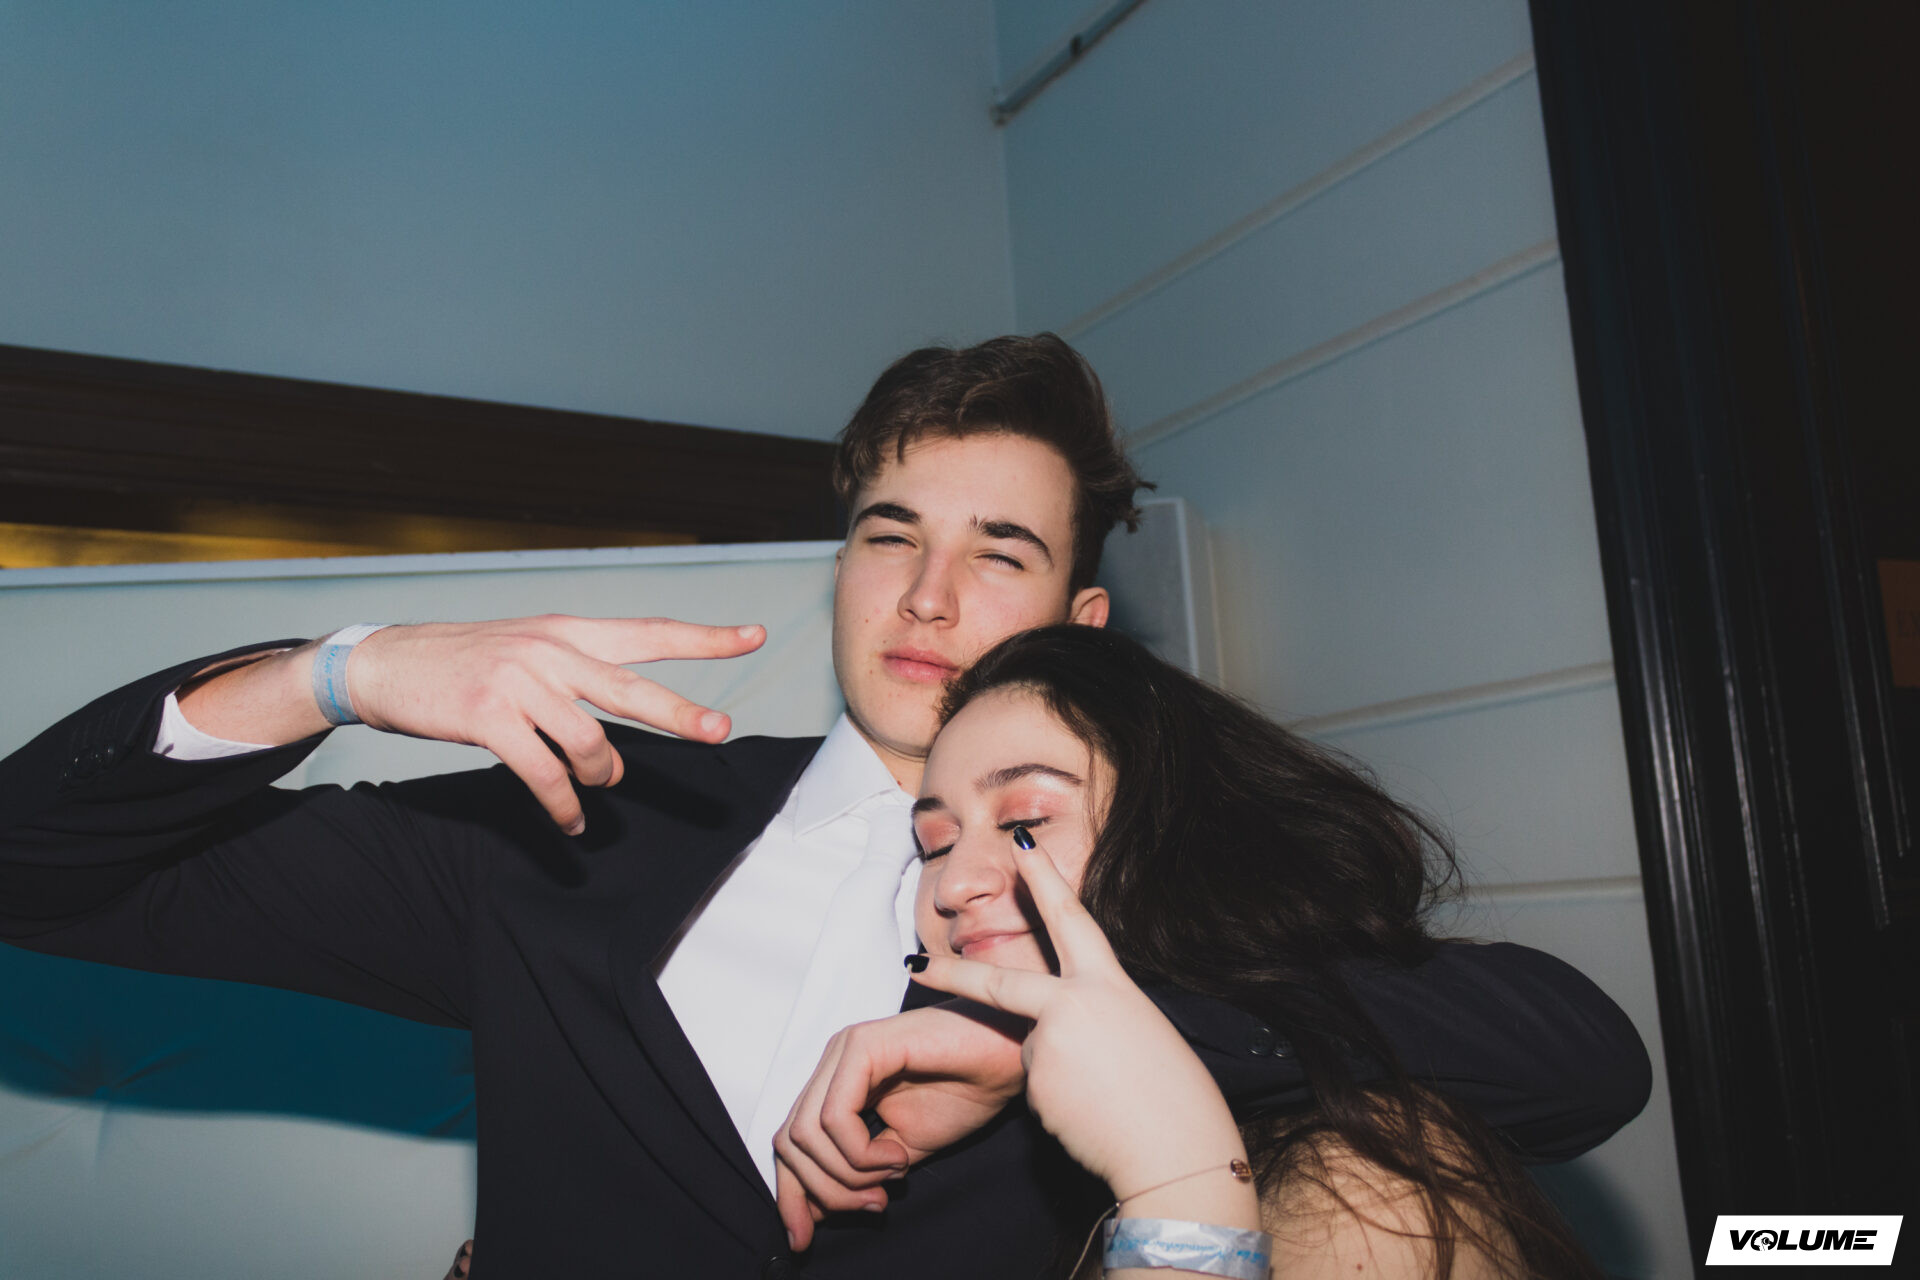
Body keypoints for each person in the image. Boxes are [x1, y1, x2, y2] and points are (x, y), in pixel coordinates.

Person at [0, 335, 1647, 1276]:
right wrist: (339, 671)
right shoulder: (588, 814)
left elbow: (1577, 1057)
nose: (928, 595)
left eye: (999, 551)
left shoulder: (1153, 881)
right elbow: (34, 866)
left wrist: (1077, 1040)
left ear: (1082, 624)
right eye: (889, 534)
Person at [776, 624, 1610, 1277]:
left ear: (1180, 834)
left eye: (1025, 821)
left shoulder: (1351, 1177)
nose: (955, 883)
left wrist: (1100, 1045)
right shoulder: (921, 1091)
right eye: (934, 844)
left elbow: (1587, 1054)